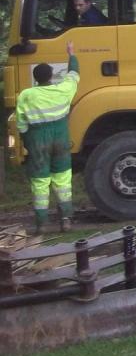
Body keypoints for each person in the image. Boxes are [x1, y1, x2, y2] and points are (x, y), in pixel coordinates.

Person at [15, 42, 80, 234]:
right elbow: (74, 75)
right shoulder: (63, 91)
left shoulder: (26, 95)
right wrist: (71, 54)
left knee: (40, 182)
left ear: (35, 78)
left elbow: (21, 124)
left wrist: (28, 142)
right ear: (51, 77)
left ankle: (42, 224)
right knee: (62, 181)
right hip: (60, 139)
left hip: (37, 140)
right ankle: (66, 220)